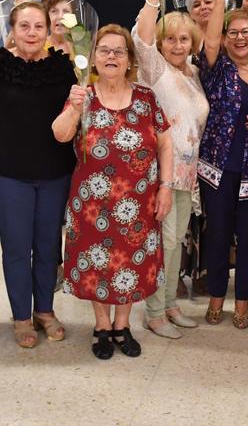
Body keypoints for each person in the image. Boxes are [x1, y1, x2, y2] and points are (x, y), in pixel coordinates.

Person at [0, 1, 76, 348]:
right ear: (12, 29)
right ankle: (22, 315)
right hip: (11, 173)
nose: (32, 33)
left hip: (55, 170)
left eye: (38, 26)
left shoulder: (63, 66)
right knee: (17, 249)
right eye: (24, 26)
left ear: (48, 28)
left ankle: (45, 310)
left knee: (47, 246)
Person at [54, 24, 173, 359]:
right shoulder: (82, 94)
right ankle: (101, 326)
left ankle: (123, 325)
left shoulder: (147, 98)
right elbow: (61, 135)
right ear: (93, 58)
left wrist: (166, 188)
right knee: (97, 264)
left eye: (119, 51)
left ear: (129, 59)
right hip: (92, 205)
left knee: (131, 264)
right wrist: (75, 109)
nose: (111, 56)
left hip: (139, 203)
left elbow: (165, 146)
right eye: (104, 50)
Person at [133, 0, 210, 338]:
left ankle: (169, 304)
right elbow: (142, 38)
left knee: (175, 241)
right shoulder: (155, 69)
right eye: (171, 40)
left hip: (186, 176)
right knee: (160, 243)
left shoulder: (192, 73)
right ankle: (153, 311)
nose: (177, 46)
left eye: (184, 39)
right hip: (158, 175)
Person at [197, 0, 248, 329]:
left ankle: (242, 303)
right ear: (224, 39)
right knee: (219, 234)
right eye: (233, 33)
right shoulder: (217, 67)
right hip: (218, 167)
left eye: (246, 32)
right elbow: (209, 40)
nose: (240, 38)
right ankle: (215, 298)